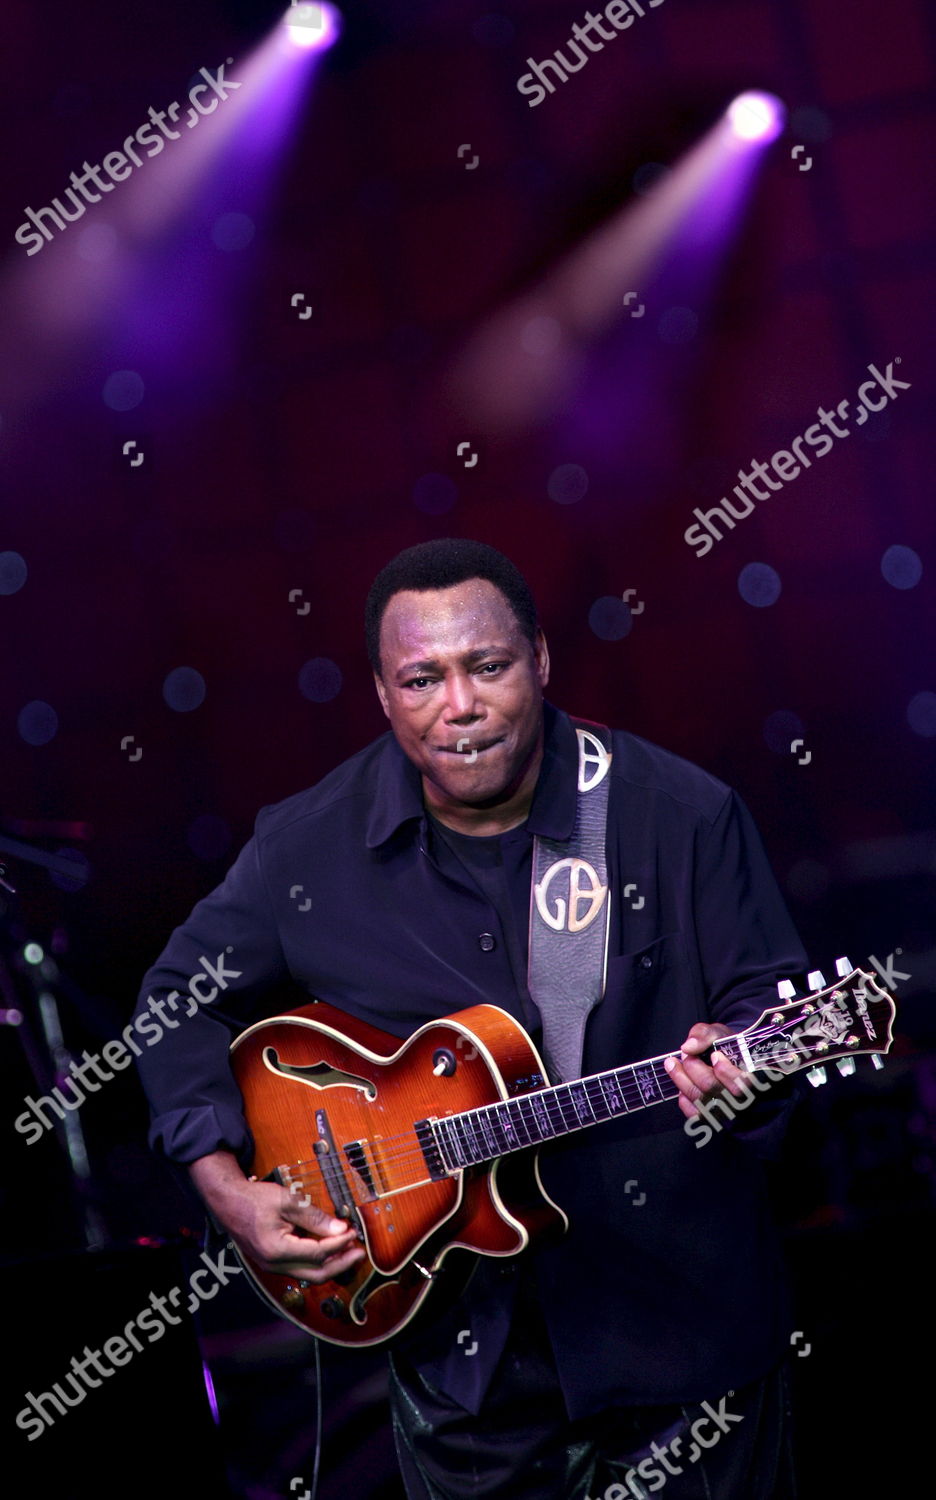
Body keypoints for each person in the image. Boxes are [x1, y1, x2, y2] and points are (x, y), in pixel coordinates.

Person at [134, 538, 807, 1499]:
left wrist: (739, 1074)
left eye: (487, 666)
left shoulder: (678, 814)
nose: (460, 707)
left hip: (683, 1347)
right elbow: (174, 1001)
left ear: (538, 658)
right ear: (380, 693)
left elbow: (762, 1008)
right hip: (466, 1378)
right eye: (422, 679)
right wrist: (225, 1187)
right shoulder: (307, 846)